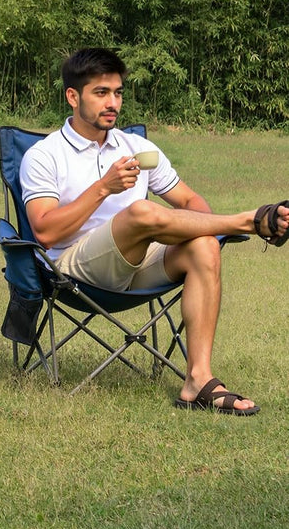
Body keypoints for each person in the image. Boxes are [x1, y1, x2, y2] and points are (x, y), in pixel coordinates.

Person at [20, 47, 288, 415]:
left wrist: (198, 230)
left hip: (137, 262)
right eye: (101, 93)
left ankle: (198, 381)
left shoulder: (138, 148)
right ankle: (247, 222)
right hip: (73, 270)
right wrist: (103, 187)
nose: (113, 103)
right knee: (140, 211)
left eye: (118, 93)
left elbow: (191, 201)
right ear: (73, 96)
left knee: (204, 246)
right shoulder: (44, 155)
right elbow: (46, 232)